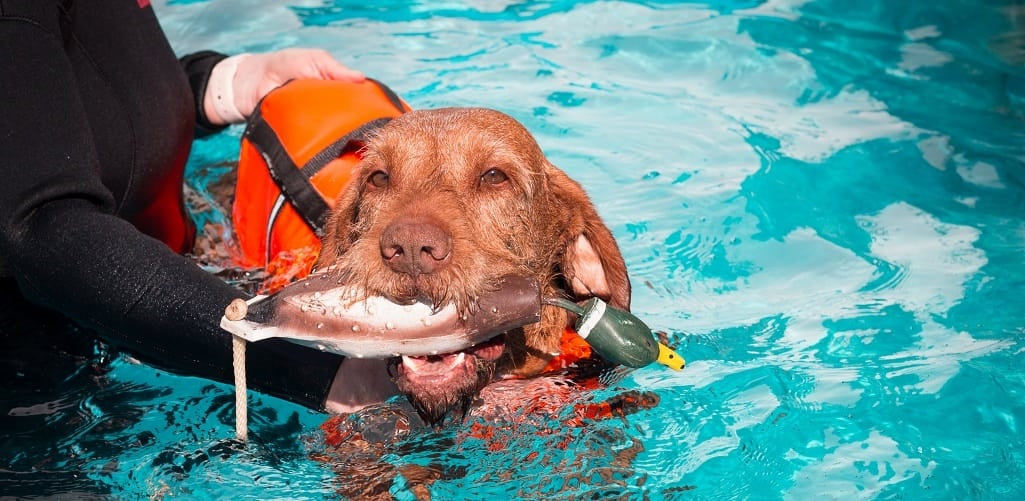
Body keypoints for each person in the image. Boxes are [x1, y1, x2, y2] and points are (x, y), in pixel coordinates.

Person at [0, 0, 395, 412]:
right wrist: (314, 370)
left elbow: (78, 85)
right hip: (55, 398)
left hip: (175, 292)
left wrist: (232, 83)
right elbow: (46, 235)